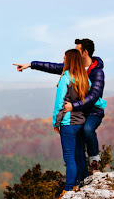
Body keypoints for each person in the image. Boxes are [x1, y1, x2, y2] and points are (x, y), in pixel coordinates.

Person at [14, 38, 105, 173]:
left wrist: (73, 106)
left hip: (92, 110)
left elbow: (93, 96)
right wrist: (30, 64)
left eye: (77, 50)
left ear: (85, 53)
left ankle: (94, 161)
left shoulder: (97, 72)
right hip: (78, 112)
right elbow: (52, 67)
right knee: (77, 148)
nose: (74, 52)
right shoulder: (74, 67)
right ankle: (81, 178)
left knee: (87, 129)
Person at [52, 49, 106, 197]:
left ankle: (69, 189)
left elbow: (59, 104)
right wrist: (102, 104)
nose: (63, 61)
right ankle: (82, 183)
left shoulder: (65, 78)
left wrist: (56, 123)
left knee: (70, 158)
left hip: (68, 123)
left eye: (64, 59)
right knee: (80, 156)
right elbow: (92, 97)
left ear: (69, 61)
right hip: (81, 122)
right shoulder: (84, 78)